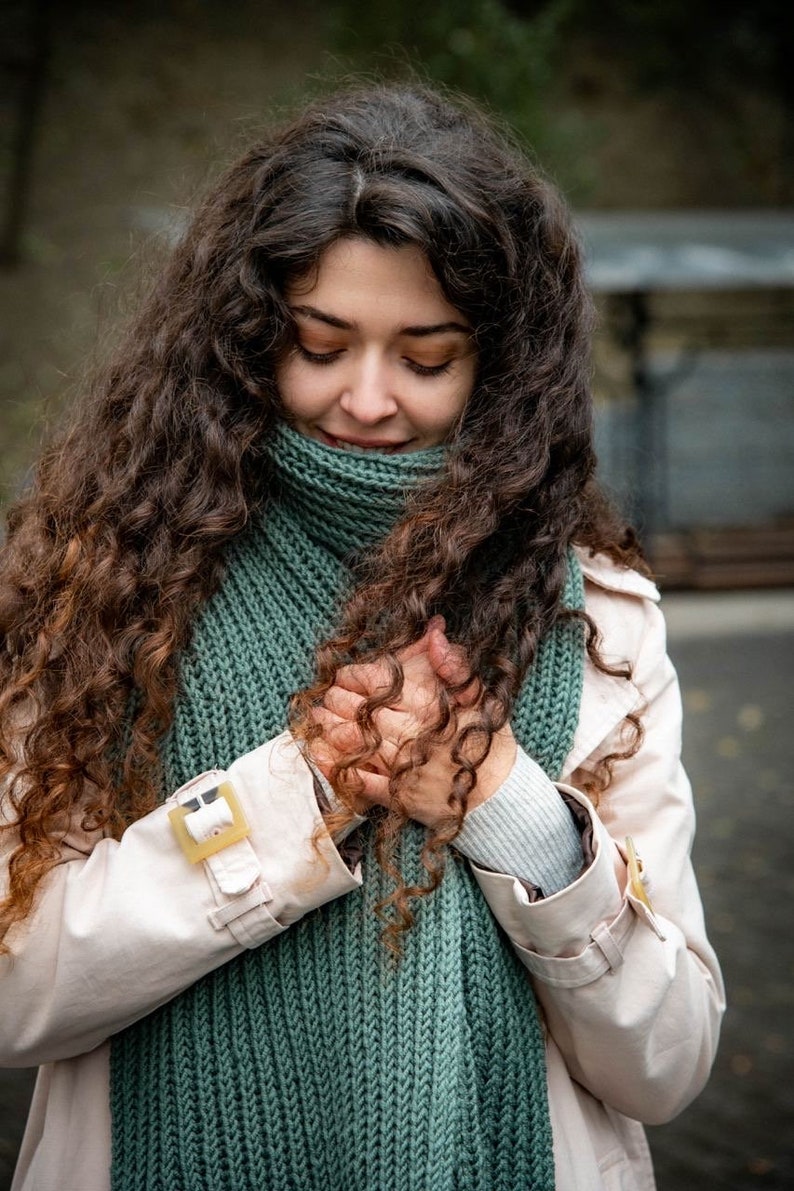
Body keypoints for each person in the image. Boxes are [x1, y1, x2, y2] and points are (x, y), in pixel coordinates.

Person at [0, 83, 724, 1191]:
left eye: (425, 357)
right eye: (320, 343)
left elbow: (666, 1067)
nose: (368, 398)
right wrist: (301, 792)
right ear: (244, 337)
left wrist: (511, 811)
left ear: (499, 364)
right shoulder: (107, 588)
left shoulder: (600, 619)